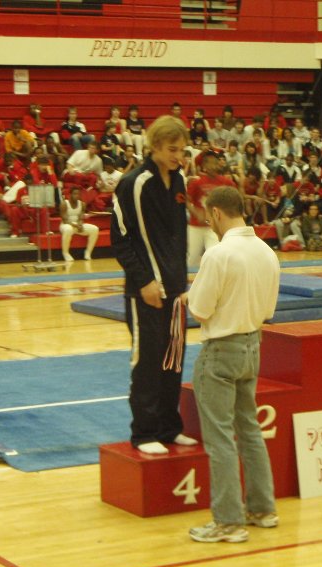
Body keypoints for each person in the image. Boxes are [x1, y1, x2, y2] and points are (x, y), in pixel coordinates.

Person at [185, 185, 280, 544]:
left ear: (218, 214)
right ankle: (263, 509)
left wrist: (194, 294)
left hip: (221, 350)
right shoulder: (268, 253)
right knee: (250, 430)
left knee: (221, 438)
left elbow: (200, 310)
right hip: (252, 346)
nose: (208, 223)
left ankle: (227, 521)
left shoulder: (219, 254)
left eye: (208, 216)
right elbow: (269, 310)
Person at [110, 115, 197, 455]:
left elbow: (177, 235)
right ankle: (144, 433)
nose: (179, 156)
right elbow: (121, 238)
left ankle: (169, 427)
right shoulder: (134, 182)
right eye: (173, 149)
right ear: (155, 147)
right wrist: (145, 281)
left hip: (176, 287)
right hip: (145, 290)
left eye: (183, 150)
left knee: (173, 360)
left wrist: (182, 278)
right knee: (147, 361)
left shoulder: (179, 181)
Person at [186, 149, 236, 267]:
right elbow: (186, 200)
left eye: (216, 163)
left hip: (213, 227)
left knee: (215, 255)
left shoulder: (225, 182)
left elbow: (235, 198)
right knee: (191, 259)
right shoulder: (197, 183)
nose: (213, 166)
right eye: (210, 163)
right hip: (195, 227)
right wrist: (195, 212)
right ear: (204, 165)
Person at [59, 187, 99, 262]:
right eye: (75, 194)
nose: (77, 196)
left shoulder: (82, 204)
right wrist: (75, 225)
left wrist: (80, 224)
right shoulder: (64, 204)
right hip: (65, 225)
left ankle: (88, 252)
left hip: (77, 225)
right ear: (70, 194)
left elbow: (81, 217)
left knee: (95, 229)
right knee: (68, 229)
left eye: (78, 194)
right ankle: (65, 253)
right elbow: (65, 220)